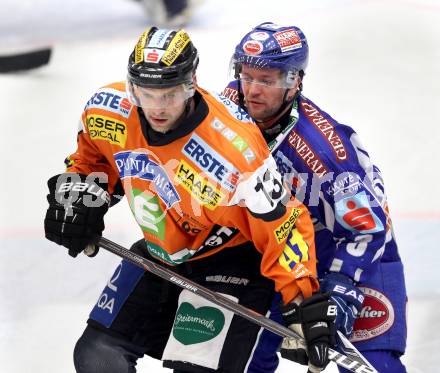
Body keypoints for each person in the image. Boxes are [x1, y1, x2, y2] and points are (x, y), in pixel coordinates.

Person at [44, 27, 336, 373]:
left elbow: (283, 225)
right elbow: (93, 158)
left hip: (231, 260)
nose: (157, 108)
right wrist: (81, 196)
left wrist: (300, 301)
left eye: (168, 95)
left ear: (191, 84)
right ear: (131, 87)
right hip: (162, 251)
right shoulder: (108, 109)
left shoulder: (235, 152)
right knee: (97, 358)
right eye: (145, 94)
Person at [221, 22, 408, 373]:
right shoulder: (228, 105)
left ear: (294, 82)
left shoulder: (323, 152)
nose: (252, 91)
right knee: (240, 359)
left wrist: (337, 291)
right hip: (283, 253)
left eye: (267, 80)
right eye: (246, 76)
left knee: (372, 364)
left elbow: (367, 230)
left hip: (356, 252)